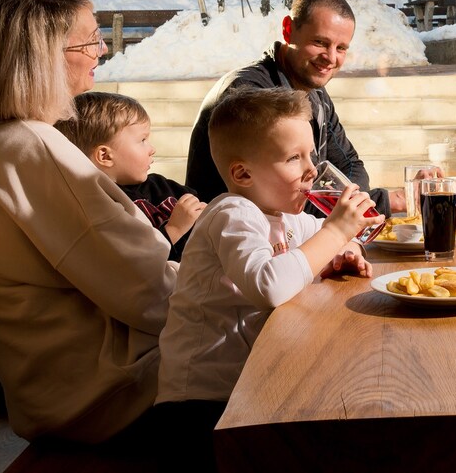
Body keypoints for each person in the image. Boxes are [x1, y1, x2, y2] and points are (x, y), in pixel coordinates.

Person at [0, 0, 177, 442]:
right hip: (104, 393)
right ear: (43, 55)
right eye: (91, 40)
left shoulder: (3, 142)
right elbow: (149, 293)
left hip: (73, 383)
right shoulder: (31, 148)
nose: (102, 51)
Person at [155, 87, 380, 468]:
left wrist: (345, 253)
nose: (312, 169)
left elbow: (326, 238)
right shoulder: (233, 213)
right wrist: (336, 235)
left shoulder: (288, 216)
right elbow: (269, 286)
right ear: (242, 173)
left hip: (252, 389)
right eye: (294, 158)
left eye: (312, 154)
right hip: (199, 407)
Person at [185, 0, 401, 217]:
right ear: (288, 30)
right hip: (235, 238)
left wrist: (356, 203)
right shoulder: (249, 95)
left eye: (341, 48)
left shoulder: (314, 91)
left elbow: (350, 165)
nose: (330, 58)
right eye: (319, 42)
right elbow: (285, 197)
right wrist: (386, 201)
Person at [56, 91, 206, 262]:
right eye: (142, 140)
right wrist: (174, 230)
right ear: (105, 156)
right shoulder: (104, 208)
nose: (152, 149)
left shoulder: (159, 185)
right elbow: (134, 265)